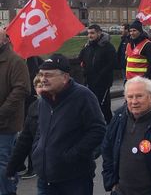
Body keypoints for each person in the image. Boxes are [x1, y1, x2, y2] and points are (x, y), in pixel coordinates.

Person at [32, 54, 106, 194]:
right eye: (41, 75)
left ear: (65, 77)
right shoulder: (43, 100)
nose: (43, 79)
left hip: (74, 179)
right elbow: (40, 130)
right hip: (45, 178)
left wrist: (72, 155)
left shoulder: (83, 96)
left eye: (48, 75)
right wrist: (37, 150)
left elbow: (98, 130)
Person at [0, 28, 30, 195]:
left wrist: (2, 112)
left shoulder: (15, 61)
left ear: (4, 40)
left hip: (5, 124)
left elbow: (21, 89)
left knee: (4, 164)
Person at [6, 74, 43, 182]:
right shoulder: (33, 108)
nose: (41, 89)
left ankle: (32, 168)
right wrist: (12, 168)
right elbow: (24, 141)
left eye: (44, 85)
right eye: (38, 87)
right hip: (43, 166)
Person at [79, 24, 117, 123]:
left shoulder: (107, 47)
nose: (90, 36)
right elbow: (81, 58)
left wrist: (100, 75)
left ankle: (109, 126)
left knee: (103, 106)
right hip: (89, 81)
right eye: (88, 33)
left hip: (102, 82)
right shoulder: (88, 46)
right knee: (91, 106)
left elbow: (112, 63)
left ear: (99, 33)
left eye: (92, 33)